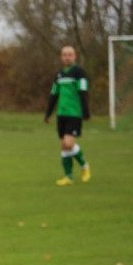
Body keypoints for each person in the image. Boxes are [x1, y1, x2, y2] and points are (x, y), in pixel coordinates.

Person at [44, 45, 92, 186]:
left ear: (74, 56)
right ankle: (68, 177)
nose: (67, 57)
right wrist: (48, 114)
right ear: (61, 56)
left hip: (74, 114)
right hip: (62, 114)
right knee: (64, 146)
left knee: (68, 143)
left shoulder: (79, 73)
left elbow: (83, 93)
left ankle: (85, 166)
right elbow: (54, 95)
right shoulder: (59, 75)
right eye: (65, 54)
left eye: (70, 54)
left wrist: (86, 112)